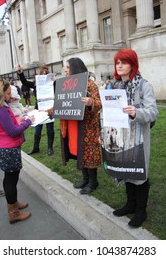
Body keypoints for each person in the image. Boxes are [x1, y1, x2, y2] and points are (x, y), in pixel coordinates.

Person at [110, 48, 158, 227]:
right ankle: (130, 204)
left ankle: (141, 210)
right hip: (121, 136)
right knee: (126, 170)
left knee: (139, 172)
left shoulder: (144, 85)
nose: (120, 65)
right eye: (117, 62)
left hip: (139, 137)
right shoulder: (115, 86)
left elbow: (153, 112)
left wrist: (136, 112)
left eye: (124, 62)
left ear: (133, 64)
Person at [0, 78, 35, 224]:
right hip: (8, 149)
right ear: (0, 93)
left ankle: (14, 204)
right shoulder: (2, 110)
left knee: (9, 179)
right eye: (8, 93)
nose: (10, 96)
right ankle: (14, 213)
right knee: (11, 181)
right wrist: (28, 121)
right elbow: (12, 131)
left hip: (2, 147)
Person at [60, 57, 102, 194]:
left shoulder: (90, 84)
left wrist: (91, 102)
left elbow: (99, 103)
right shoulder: (66, 84)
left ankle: (93, 182)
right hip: (74, 125)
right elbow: (62, 102)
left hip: (87, 127)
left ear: (75, 68)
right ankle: (85, 179)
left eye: (68, 67)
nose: (65, 70)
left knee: (88, 153)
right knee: (80, 152)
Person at [17, 65, 55, 156]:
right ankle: (36, 147)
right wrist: (20, 73)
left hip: (49, 108)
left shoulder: (52, 83)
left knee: (50, 129)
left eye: (46, 73)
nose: (44, 75)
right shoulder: (36, 84)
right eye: (42, 73)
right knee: (37, 129)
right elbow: (25, 82)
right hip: (39, 109)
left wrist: (55, 81)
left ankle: (50, 148)